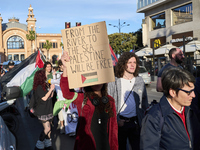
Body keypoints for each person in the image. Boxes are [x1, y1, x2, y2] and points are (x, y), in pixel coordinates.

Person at [60, 51, 118, 150]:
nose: (97, 82)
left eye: (100, 78)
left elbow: (114, 131)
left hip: (105, 146)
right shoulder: (82, 98)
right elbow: (67, 93)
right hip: (87, 146)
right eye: (94, 78)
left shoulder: (110, 101)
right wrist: (65, 68)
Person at [140, 67, 200, 150]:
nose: (193, 95)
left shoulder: (191, 111)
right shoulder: (154, 117)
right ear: (173, 92)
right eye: (188, 92)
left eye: (193, 90)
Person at [107, 52, 148, 150]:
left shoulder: (139, 80)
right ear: (123, 64)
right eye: (129, 62)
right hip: (121, 123)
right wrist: (117, 120)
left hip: (135, 123)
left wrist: (142, 120)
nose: (133, 65)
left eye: (134, 62)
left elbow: (144, 102)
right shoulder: (114, 81)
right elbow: (109, 103)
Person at [31, 69, 55, 150]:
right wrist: (51, 89)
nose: (46, 76)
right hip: (42, 110)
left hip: (48, 109)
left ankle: (48, 144)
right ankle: (39, 144)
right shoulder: (38, 87)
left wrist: (52, 89)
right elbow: (44, 98)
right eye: (44, 75)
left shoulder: (45, 85)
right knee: (47, 128)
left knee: (49, 129)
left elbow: (50, 96)